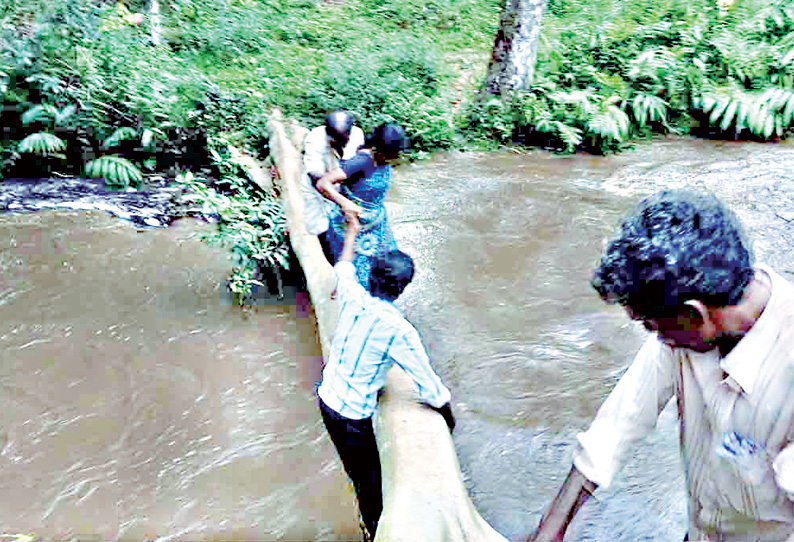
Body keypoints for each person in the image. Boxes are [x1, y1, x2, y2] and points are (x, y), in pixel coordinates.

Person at [531, 189, 794, 542]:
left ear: (693, 314)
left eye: (651, 325)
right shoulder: (691, 327)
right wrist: (551, 530)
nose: (654, 337)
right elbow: (618, 425)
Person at [317, 212, 455, 541]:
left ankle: (369, 524)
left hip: (326, 399)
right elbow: (430, 387)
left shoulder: (352, 294)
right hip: (351, 415)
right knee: (372, 486)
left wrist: (351, 230)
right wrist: (449, 419)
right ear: (403, 288)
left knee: (357, 474)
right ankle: (374, 531)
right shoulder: (398, 330)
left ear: (374, 275)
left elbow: (344, 266)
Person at [315, 122, 408, 289]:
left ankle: (383, 303)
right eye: (392, 154)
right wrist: (345, 203)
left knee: (390, 267)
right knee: (357, 272)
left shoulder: (385, 160)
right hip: (353, 225)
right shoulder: (362, 161)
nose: (395, 158)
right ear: (379, 149)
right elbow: (323, 183)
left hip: (377, 224)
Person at [302, 110, 365, 262]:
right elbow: (317, 181)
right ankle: (329, 260)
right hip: (316, 190)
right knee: (319, 228)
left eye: (344, 139)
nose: (340, 143)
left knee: (350, 226)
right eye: (335, 139)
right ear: (327, 133)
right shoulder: (314, 140)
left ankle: (348, 258)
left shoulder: (357, 135)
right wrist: (343, 202)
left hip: (341, 185)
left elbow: (357, 165)